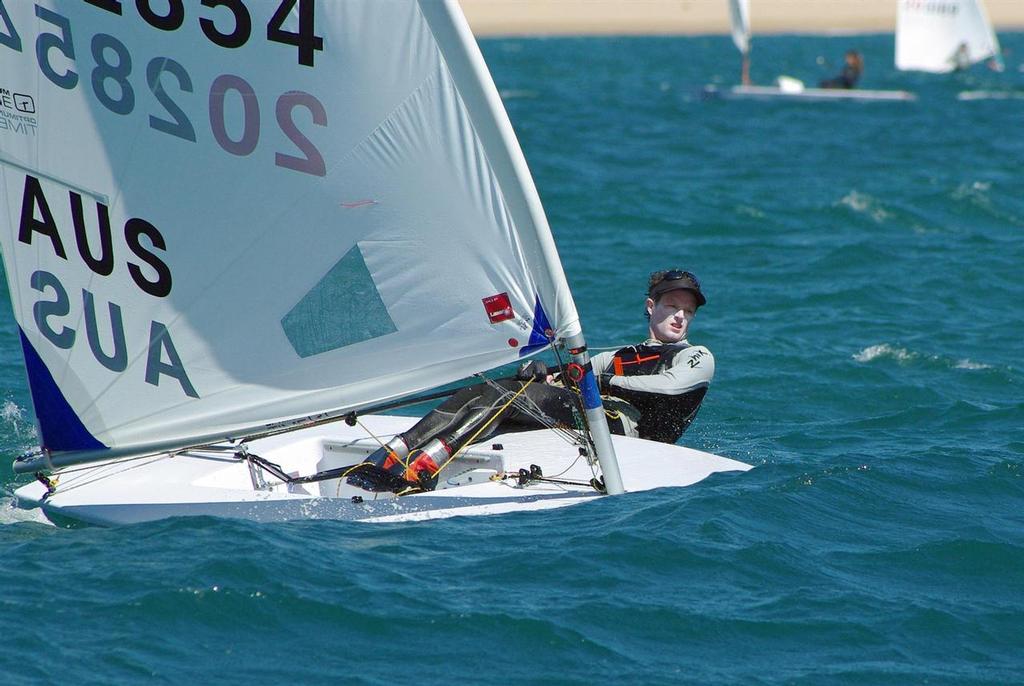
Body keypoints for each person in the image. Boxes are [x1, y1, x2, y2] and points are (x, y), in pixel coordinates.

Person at [346, 269, 715, 493]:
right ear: (652, 307)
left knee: (511, 397)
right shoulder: (619, 356)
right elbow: (571, 378)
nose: (680, 317)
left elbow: (670, 387)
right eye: (672, 307)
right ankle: (391, 453)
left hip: (626, 434)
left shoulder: (695, 355)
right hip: (595, 417)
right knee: (490, 390)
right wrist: (543, 373)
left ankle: (423, 469)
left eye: (688, 311)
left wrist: (599, 382)